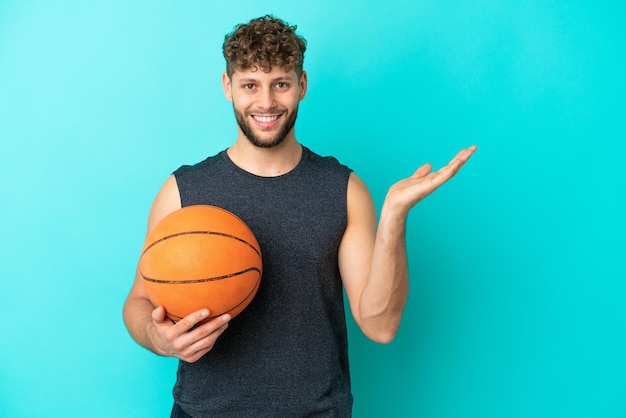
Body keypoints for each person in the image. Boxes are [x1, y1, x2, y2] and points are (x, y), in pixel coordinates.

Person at [123, 14, 476, 418]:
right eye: (250, 85)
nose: (267, 102)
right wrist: (158, 336)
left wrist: (394, 216)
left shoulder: (342, 189)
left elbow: (380, 325)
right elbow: (137, 301)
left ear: (302, 86)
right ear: (228, 88)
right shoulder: (182, 191)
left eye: (281, 84)